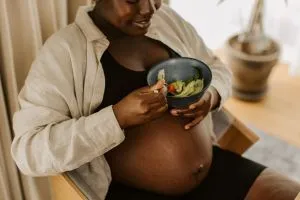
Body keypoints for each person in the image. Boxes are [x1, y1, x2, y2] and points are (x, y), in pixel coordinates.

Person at [11, 0, 300, 200]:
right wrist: (117, 117)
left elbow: (216, 66)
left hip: (213, 172)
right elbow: (28, 151)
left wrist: (210, 97)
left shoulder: (166, 21)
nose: (150, 9)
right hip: (130, 192)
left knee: (290, 192)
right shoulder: (65, 53)